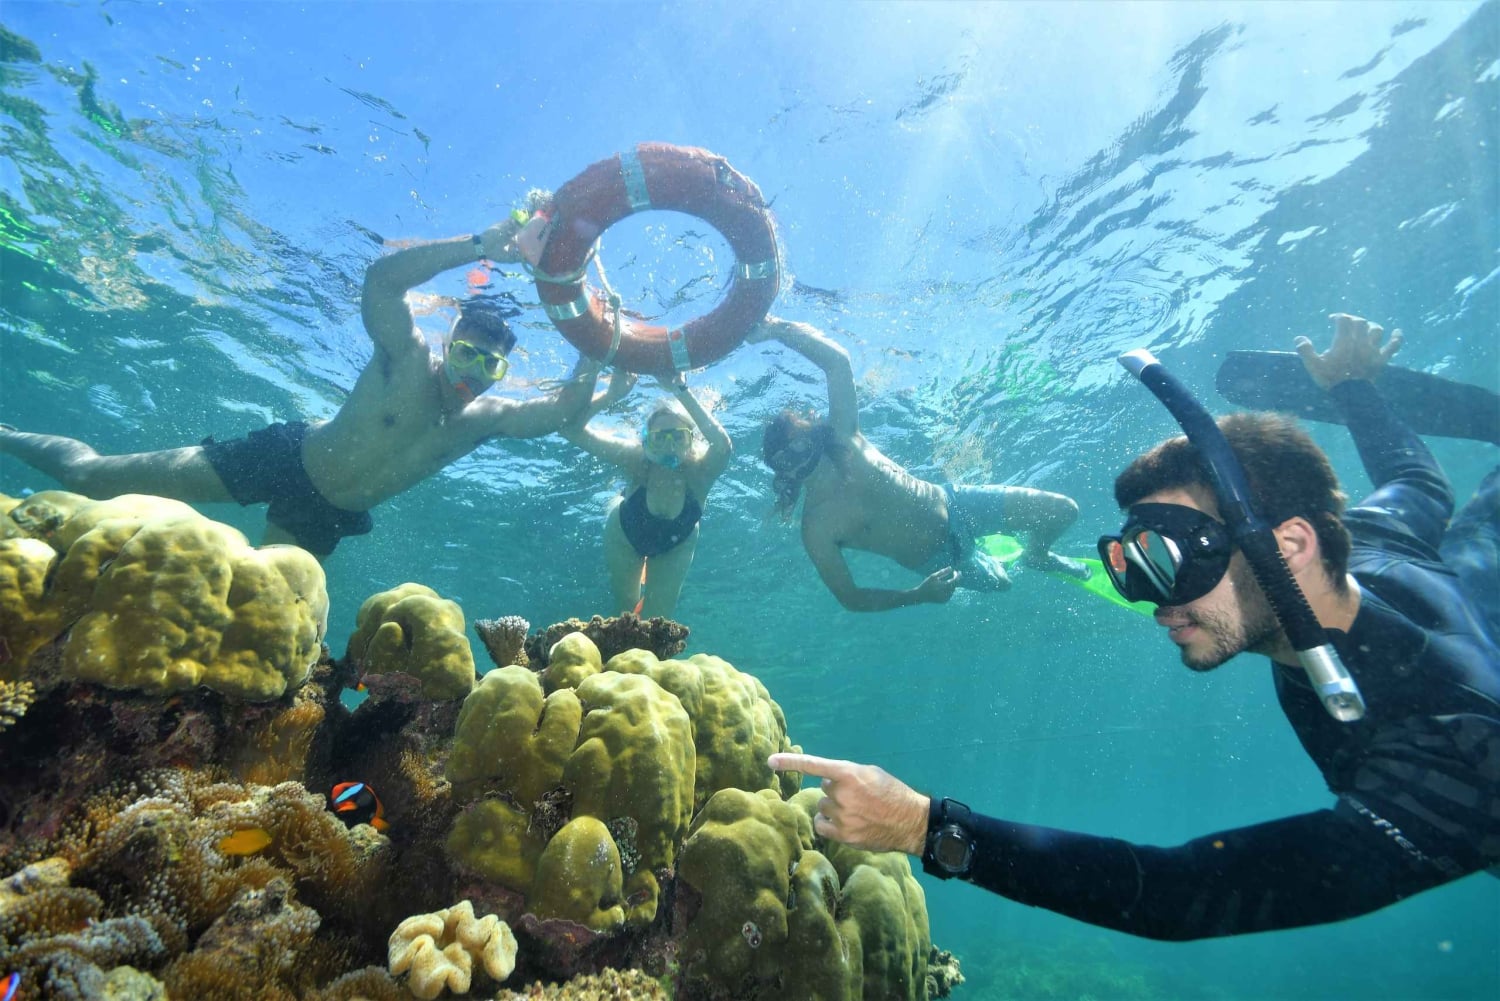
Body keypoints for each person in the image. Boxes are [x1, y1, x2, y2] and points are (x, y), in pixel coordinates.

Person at [769, 313, 1500, 940]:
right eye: (1133, 568)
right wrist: (1354, 388)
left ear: (1291, 546)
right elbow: (1417, 481)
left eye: (1173, 561)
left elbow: (1178, 891)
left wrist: (925, 827)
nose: (1156, 605)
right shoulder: (1368, 542)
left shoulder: (1450, 767)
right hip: (1469, 585)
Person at [0, 219, 599, 558]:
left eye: (488, 367)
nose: (472, 373)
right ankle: (7, 435)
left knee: (267, 619)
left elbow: (566, 408)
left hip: (325, 515)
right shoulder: (408, 358)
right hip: (283, 459)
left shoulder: (485, 419)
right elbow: (382, 283)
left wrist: (600, 344)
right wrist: (479, 247)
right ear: (449, 347)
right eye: (467, 354)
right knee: (88, 478)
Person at [749, 317, 1088, 612]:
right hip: (939, 559)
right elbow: (850, 598)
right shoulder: (817, 528)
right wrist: (918, 595)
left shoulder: (843, 436)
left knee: (1063, 510)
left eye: (796, 441)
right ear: (782, 473)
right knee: (1002, 583)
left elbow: (837, 362)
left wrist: (778, 329)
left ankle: (1036, 554)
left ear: (809, 434)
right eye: (784, 458)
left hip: (957, 503)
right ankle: (992, 557)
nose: (795, 456)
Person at [561, 368, 732, 617]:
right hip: (624, 533)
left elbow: (723, 446)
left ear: (692, 440)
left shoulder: (701, 472)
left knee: (658, 620)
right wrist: (611, 394)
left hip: (677, 544)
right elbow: (571, 430)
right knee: (625, 613)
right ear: (645, 442)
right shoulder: (635, 459)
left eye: (678, 437)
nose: (669, 447)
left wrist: (680, 390)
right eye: (659, 439)